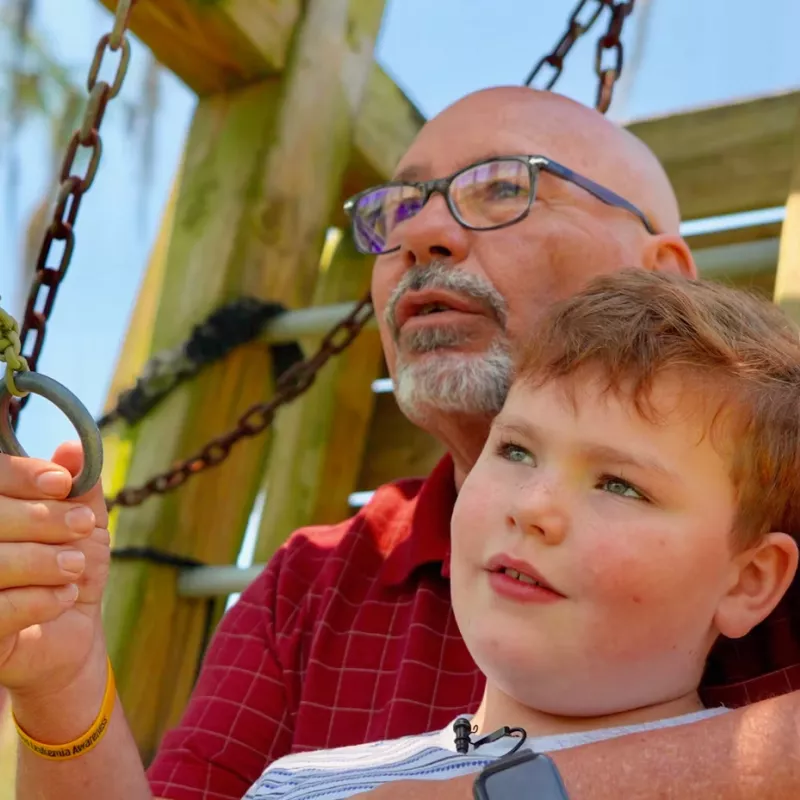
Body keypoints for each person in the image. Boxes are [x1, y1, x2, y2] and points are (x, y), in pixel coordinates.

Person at [2, 86, 799, 800]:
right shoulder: (309, 589)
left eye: (503, 188)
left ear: (661, 271)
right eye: (400, 205)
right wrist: (61, 688)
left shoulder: (775, 496)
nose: (420, 233)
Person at [241, 268, 800, 799]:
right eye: (515, 450)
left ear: (747, 581)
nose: (533, 507)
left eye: (619, 485)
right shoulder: (296, 786)